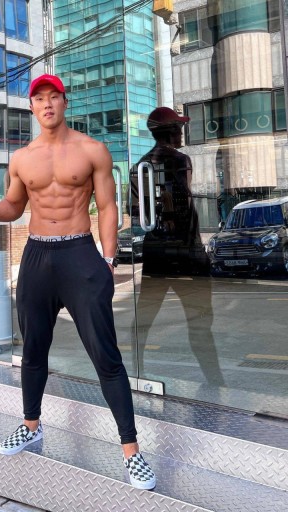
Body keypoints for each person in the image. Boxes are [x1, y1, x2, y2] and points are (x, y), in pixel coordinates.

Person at [0, 74, 156, 490]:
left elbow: (108, 206)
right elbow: (13, 206)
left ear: (65, 102)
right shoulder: (21, 158)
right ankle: (31, 425)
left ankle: (131, 451)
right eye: (39, 98)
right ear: (31, 107)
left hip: (80, 254)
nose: (47, 104)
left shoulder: (92, 150)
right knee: (33, 352)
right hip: (36, 257)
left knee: (106, 356)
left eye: (53, 97)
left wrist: (108, 259)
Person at [130, 107, 225, 387]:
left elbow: (134, 212)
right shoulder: (180, 160)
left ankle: (136, 373)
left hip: (156, 252)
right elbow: (183, 204)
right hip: (185, 252)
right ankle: (215, 381)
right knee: (200, 322)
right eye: (179, 128)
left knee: (144, 318)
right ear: (170, 131)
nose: (182, 132)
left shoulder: (139, 167)